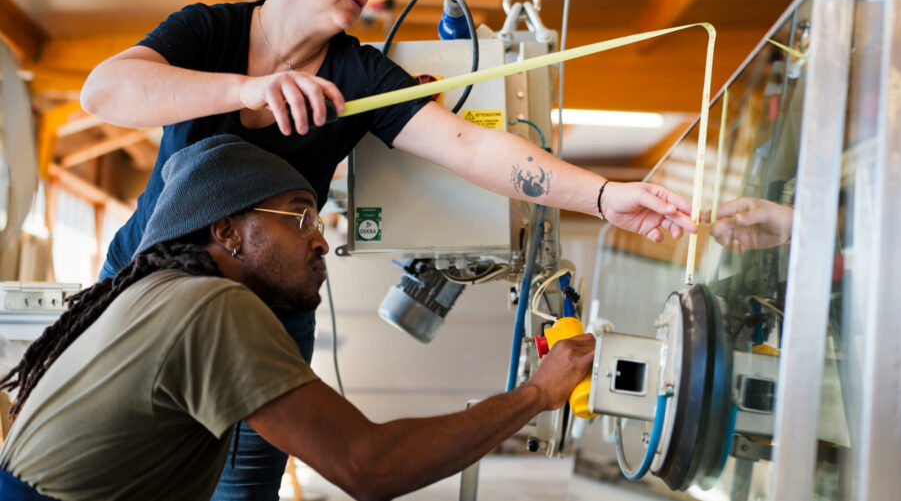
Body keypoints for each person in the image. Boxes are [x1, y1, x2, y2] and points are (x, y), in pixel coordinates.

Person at [79, 0, 696, 498]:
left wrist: (604, 195)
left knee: (242, 487)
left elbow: (473, 148)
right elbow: (103, 93)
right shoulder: (209, 30)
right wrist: (246, 90)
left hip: (267, 309)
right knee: (109, 455)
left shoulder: (357, 73)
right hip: (146, 277)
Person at [0, 136, 596, 501]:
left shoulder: (156, 293)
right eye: (298, 217)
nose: (320, 242)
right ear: (227, 232)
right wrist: (535, 395)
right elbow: (368, 466)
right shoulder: (212, 307)